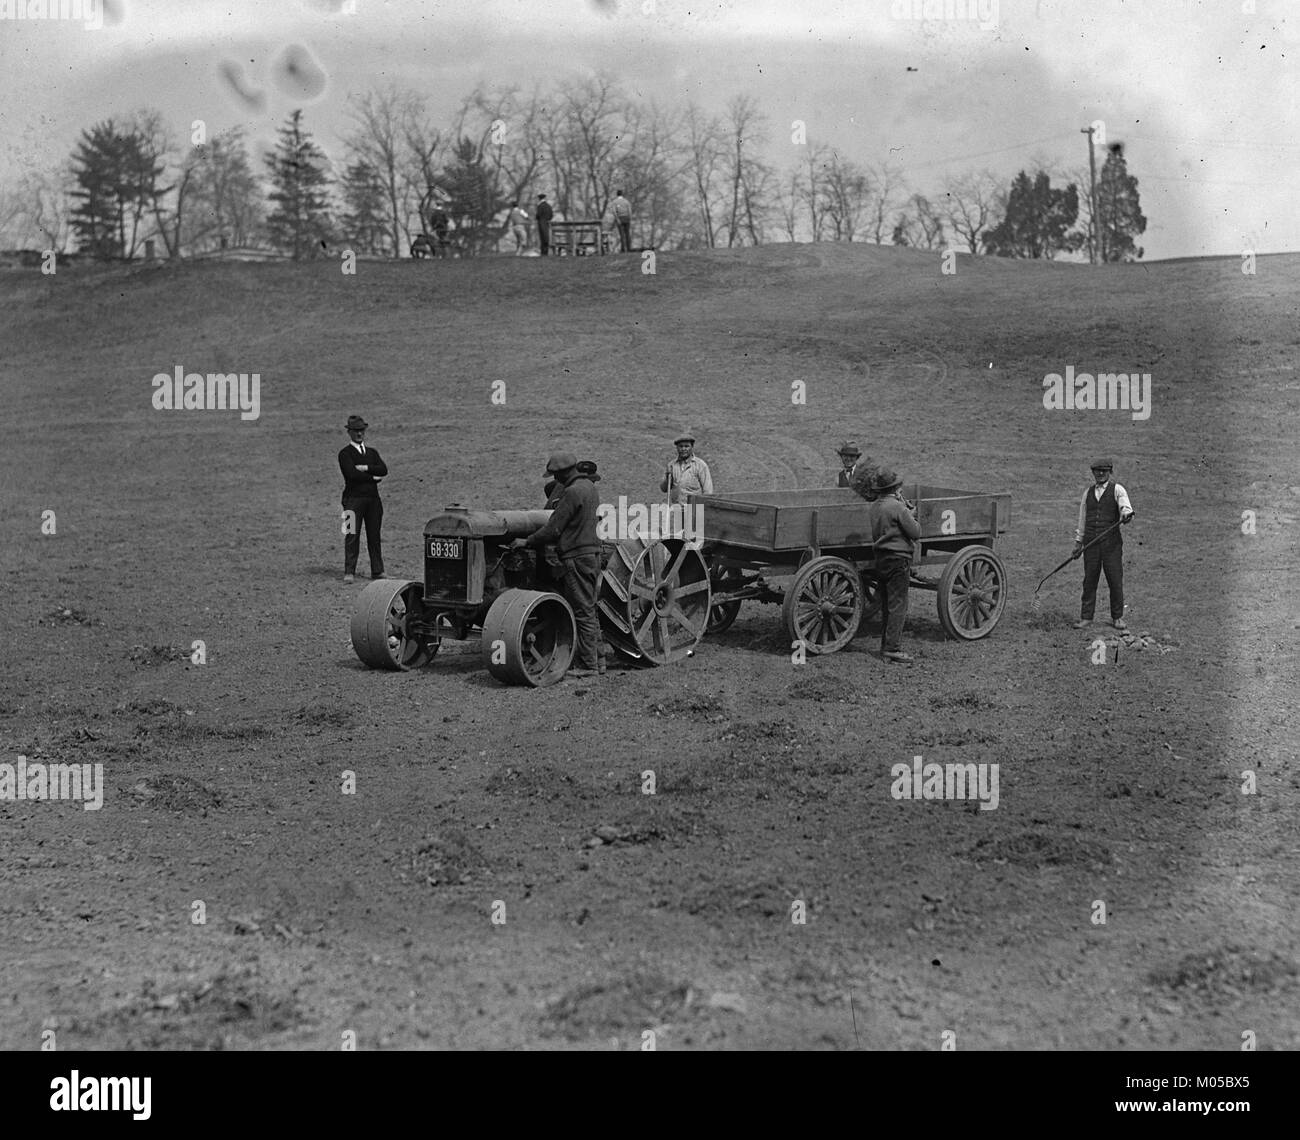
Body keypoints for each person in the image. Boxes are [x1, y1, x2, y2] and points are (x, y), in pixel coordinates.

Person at [514, 452, 602, 678]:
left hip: (576, 557)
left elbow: (553, 529)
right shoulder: (589, 487)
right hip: (591, 554)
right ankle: (599, 660)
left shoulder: (571, 492)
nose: (555, 479)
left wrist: (527, 541)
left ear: (563, 473)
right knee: (589, 609)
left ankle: (588, 665)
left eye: (555, 475)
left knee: (581, 611)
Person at [1071, 458, 1135, 629]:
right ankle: (1086, 617)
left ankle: (1117, 617)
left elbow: (1125, 508)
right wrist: (1078, 543)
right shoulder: (1087, 493)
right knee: (1089, 580)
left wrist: (1126, 514)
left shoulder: (1118, 490)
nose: (1100, 474)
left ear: (1110, 472)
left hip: (1111, 545)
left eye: (1104, 471)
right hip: (1091, 544)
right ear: (1093, 473)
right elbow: (1083, 519)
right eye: (1097, 471)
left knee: (1115, 580)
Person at [868, 468, 921, 663]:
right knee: (898, 605)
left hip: (881, 559)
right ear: (895, 488)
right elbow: (916, 533)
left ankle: (886, 647)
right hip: (898, 559)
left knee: (887, 605)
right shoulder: (898, 507)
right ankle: (892, 649)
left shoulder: (875, 507)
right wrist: (911, 515)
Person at [338, 414, 388, 583]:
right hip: (351, 501)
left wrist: (365, 467)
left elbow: (383, 470)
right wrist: (372, 478)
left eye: (361, 430)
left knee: (374, 535)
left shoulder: (372, 453)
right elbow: (351, 475)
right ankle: (349, 571)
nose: (359, 434)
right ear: (349, 432)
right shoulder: (345, 454)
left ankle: (377, 570)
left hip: (373, 500)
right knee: (351, 534)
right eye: (356, 431)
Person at [659, 431, 713, 505]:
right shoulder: (671, 466)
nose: (683, 449)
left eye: (686, 446)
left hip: (695, 508)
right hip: (677, 508)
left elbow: (708, 491)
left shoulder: (700, 465)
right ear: (677, 448)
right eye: (680, 446)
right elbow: (663, 489)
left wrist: (704, 508)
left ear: (692, 447)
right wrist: (668, 479)